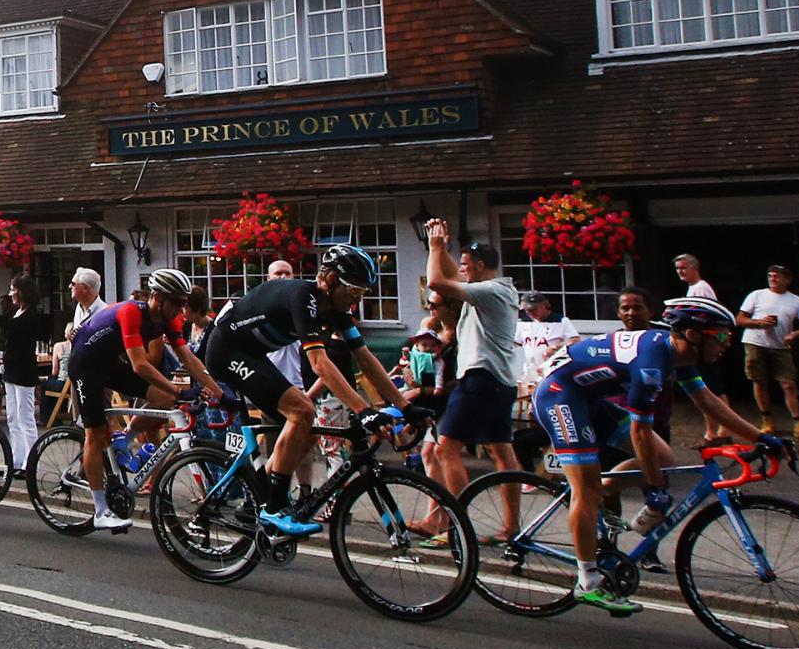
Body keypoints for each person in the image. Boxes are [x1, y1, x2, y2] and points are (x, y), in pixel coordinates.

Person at [530, 294, 771, 615]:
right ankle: (587, 582)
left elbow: (708, 401)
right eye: (723, 336)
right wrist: (655, 490)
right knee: (586, 490)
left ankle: (601, 491)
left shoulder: (678, 355)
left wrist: (763, 437)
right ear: (694, 335)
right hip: (559, 395)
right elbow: (639, 432)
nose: (727, 344)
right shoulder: (652, 364)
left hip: (589, 398)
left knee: (664, 459)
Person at [200, 246, 406, 536]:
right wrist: (364, 410)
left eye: (363, 294)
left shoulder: (336, 310)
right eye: (355, 292)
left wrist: (404, 406)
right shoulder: (303, 297)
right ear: (332, 280)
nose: (357, 301)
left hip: (253, 353)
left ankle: (261, 499)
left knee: (309, 428)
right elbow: (320, 364)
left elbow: (365, 358)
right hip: (226, 351)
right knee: (303, 410)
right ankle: (273, 508)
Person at [64, 269, 225, 533]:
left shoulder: (169, 319)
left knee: (165, 400)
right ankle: (101, 511)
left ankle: (125, 438)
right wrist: (178, 390)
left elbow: (188, 358)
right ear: (158, 298)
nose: (182, 311)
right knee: (94, 433)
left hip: (109, 363)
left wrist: (220, 395)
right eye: (178, 303)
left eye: (185, 303)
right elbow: (139, 365)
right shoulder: (131, 312)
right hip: (84, 365)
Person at [422, 222, 521, 528]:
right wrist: (443, 249)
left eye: (466, 265)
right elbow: (452, 274)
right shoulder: (500, 288)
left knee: (445, 448)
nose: (462, 270)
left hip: (479, 378)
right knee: (503, 455)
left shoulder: (490, 291)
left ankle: (457, 525)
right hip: (501, 382)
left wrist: (436, 247)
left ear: (480, 267)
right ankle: (511, 528)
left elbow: (438, 282)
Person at [734, 264, 799, 440]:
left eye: (777, 276)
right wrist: (759, 322)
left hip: (781, 345)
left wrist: (794, 333)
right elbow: (739, 319)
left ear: (787, 280)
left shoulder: (795, 300)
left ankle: (797, 422)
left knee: (788, 384)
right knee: (759, 381)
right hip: (755, 342)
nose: (772, 279)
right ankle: (767, 420)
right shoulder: (757, 295)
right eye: (770, 276)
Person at [0, 274, 50, 478]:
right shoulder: (17, 312)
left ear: (22, 291)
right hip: (11, 369)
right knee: (12, 416)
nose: (10, 293)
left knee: (26, 416)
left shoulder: (31, 315)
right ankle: (16, 460)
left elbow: (8, 327)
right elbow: (3, 324)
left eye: (13, 289)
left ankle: (30, 462)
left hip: (24, 370)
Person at [514, 293, 577, 381]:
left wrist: (556, 347)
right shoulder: (523, 323)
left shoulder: (561, 321)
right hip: (530, 372)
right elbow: (515, 343)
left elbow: (575, 340)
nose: (530, 313)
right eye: (526, 310)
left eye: (533, 309)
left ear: (545, 305)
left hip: (554, 371)